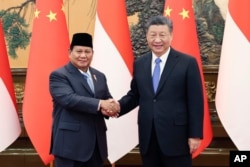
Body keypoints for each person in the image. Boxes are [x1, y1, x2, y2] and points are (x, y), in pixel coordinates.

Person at [117, 15, 204, 167]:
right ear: (147, 37)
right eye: (153, 35)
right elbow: (135, 95)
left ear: (171, 36)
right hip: (148, 137)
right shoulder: (140, 63)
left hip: (177, 138)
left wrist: (195, 135)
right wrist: (117, 107)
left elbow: (195, 101)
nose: (157, 40)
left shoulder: (187, 62)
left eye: (162, 35)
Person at [49, 33, 117, 167]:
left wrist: (110, 107)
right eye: (79, 51)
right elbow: (69, 99)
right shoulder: (59, 75)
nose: (83, 55)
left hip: (96, 147)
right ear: (70, 52)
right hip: (70, 147)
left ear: (92, 53)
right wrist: (100, 104)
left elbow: (106, 98)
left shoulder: (100, 76)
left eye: (87, 51)